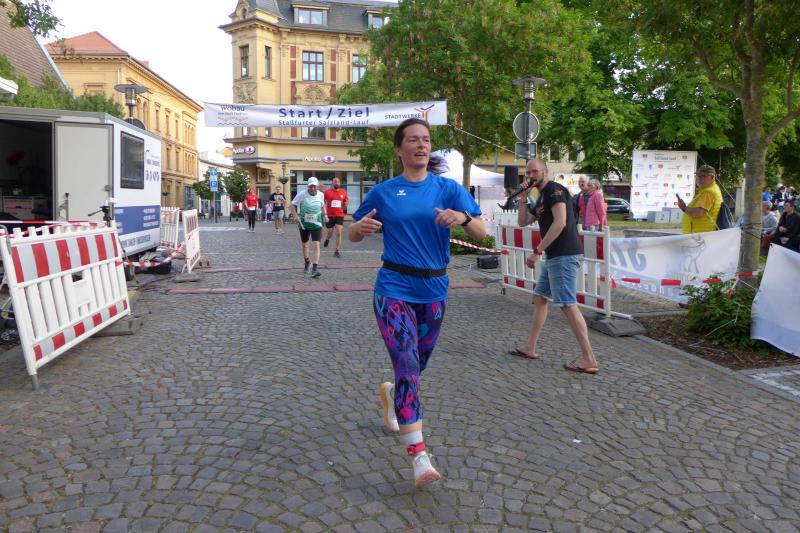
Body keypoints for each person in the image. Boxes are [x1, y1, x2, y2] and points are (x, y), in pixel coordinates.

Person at [349, 118, 484, 489]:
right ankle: (419, 455)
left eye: (426, 140)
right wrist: (358, 230)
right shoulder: (384, 192)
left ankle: (394, 394)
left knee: (416, 365)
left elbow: (481, 231)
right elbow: (354, 231)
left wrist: (463, 217)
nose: (421, 145)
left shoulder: (449, 189)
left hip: (434, 290)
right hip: (393, 289)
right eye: (413, 140)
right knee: (407, 363)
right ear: (399, 149)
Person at [509, 158, 599, 375]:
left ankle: (588, 358)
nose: (530, 175)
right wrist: (523, 198)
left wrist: (537, 251)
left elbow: (560, 222)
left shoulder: (554, 190)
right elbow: (522, 221)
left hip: (564, 255)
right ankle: (530, 347)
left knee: (567, 304)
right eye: (528, 173)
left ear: (545, 171)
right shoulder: (541, 197)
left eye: (534, 171)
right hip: (555, 256)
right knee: (540, 298)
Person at [290, 177, 327, 277]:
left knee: (316, 244)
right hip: (304, 224)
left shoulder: (321, 194)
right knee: (305, 245)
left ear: (317, 186)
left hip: (317, 223)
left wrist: (325, 215)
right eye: (311, 186)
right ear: (308, 186)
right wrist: (295, 216)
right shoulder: (302, 194)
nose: (312, 188)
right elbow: (292, 205)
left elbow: (323, 205)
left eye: (314, 186)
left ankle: (315, 268)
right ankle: (307, 262)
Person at [678, 165, 722, 234]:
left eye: (703, 176)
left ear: (712, 177)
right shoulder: (710, 189)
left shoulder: (708, 193)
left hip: (700, 234)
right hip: (702, 233)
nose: (699, 178)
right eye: (698, 176)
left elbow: (697, 213)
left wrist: (684, 208)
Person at [323, 177, 349, 258]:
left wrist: (346, 204)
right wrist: (325, 214)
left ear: (340, 183)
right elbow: (323, 203)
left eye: (338, 182)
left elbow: (346, 201)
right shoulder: (327, 192)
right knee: (330, 232)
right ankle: (327, 239)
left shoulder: (343, 192)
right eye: (335, 181)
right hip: (330, 215)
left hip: (339, 215)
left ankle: (337, 251)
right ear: (332, 183)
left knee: (339, 233)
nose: (337, 183)